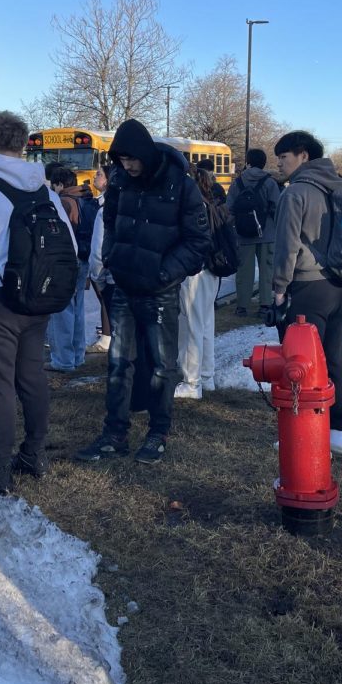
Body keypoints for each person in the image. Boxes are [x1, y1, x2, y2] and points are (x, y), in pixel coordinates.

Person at [0, 111, 75, 492]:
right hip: (36, 300)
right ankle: (33, 454)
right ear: (23, 146)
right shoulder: (46, 191)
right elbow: (67, 244)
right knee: (32, 378)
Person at [75, 119, 210, 465]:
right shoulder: (120, 181)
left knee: (163, 366)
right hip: (124, 285)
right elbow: (111, 221)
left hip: (160, 291)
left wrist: (164, 272)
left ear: (146, 155)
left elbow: (198, 242)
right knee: (120, 363)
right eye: (120, 161)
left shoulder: (180, 185)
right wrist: (112, 258)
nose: (127, 166)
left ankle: (158, 432)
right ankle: (114, 433)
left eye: (131, 160)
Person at [270, 130, 342, 455]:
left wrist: (279, 289)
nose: (279, 162)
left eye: (284, 156)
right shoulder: (336, 187)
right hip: (337, 285)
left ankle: (302, 432)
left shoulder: (296, 193)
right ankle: (336, 432)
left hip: (306, 286)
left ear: (303, 155)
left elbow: (286, 247)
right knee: (333, 358)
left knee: (299, 365)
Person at [176, 167, 224, 399]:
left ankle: (191, 381)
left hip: (195, 270)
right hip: (211, 270)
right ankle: (206, 376)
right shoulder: (210, 203)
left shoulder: (192, 206)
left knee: (192, 326)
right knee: (205, 324)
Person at [46, 166, 92, 373]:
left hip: (67, 260)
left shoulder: (63, 202)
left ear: (60, 185)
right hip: (84, 258)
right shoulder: (86, 198)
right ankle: (78, 355)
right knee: (78, 309)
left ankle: (63, 359)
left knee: (62, 310)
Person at [227, 148, 281, 317]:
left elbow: (230, 207)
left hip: (244, 234)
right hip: (267, 233)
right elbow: (277, 207)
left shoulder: (238, 182)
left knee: (244, 270)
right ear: (264, 163)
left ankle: (242, 306)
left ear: (248, 162)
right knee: (267, 269)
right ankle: (264, 304)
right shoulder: (269, 182)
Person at [87, 163, 114, 353]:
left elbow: (98, 252)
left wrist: (98, 277)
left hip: (110, 276)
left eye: (99, 174)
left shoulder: (104, 210)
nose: (94, 177)